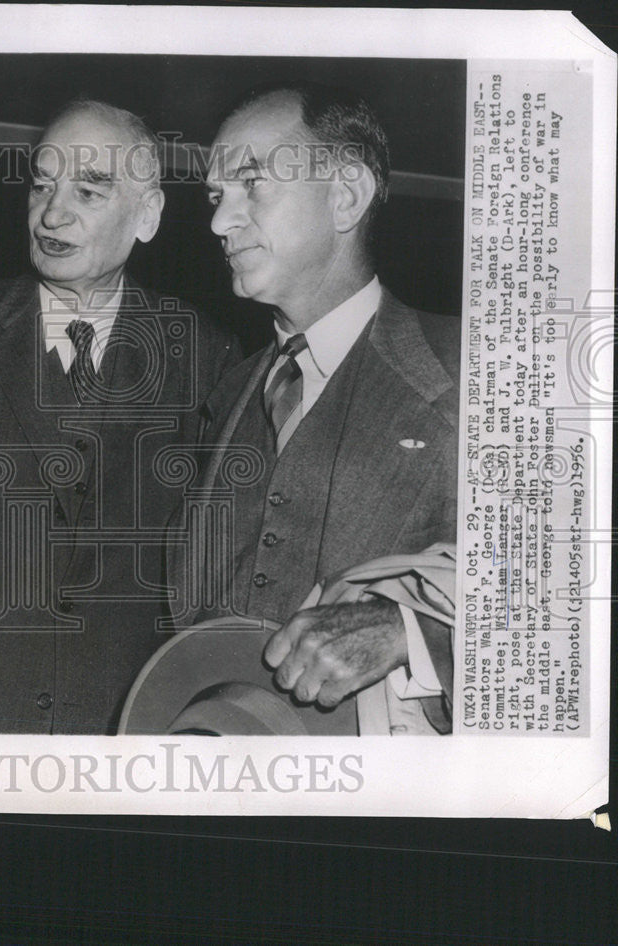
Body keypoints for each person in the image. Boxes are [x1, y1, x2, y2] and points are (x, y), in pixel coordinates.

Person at [0, 99, 240, 734]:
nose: (52, 213)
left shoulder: (205, 354)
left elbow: (210, 571)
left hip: (127, 728)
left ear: (148, 215)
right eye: (42, 184)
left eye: (88, 189)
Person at [164, 84, 460, 735]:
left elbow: (569, 601)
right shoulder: (224, 393)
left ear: (346, 194)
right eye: (215, 196)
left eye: (251, 183)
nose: (218, 221)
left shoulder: (472, 369)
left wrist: (410, 632)